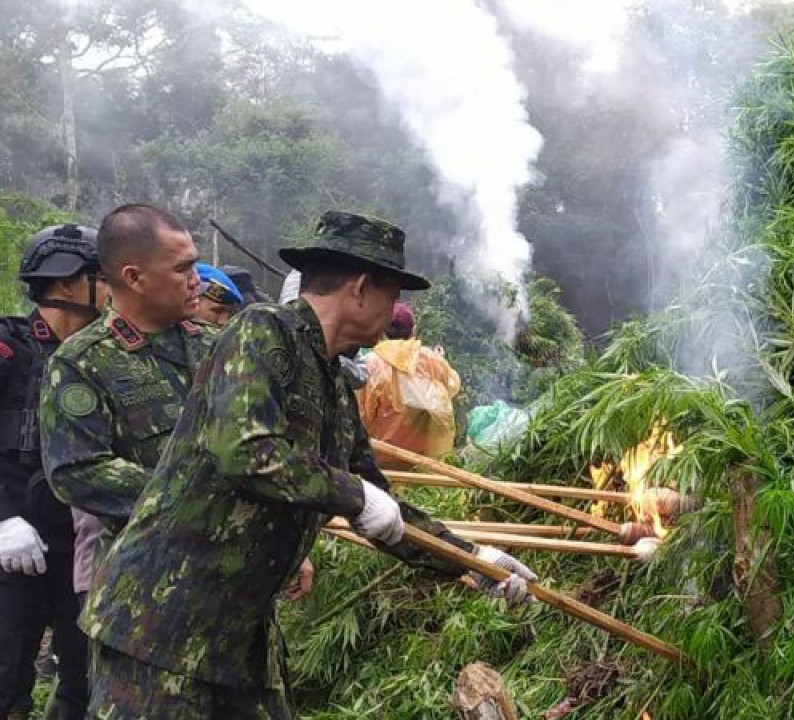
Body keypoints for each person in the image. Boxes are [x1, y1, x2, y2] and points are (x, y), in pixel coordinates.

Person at [81, 210, 536, 718]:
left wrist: (473, 561)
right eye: (394, 295)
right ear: (361, 289)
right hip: (161, 620)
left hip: (239, 632)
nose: (396, 312)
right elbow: (247, 452)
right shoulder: (261, 333)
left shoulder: (335, 385)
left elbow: (379, 502)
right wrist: (353, 495)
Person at [39, 204, 216, 576]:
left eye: (194, 265)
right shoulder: (82, 361)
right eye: (182, 268)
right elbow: (78, 471)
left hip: (232, 580)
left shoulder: (219, 347)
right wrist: (195, 496)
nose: (196, 279)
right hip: (146, 586)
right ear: (135, 277)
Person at [0, 225, 104, 720]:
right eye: (100, 276)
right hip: (10, 553)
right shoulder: (8, 349)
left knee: (85, 683)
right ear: (66, 284)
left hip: (78, 551)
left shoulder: (104, 358)